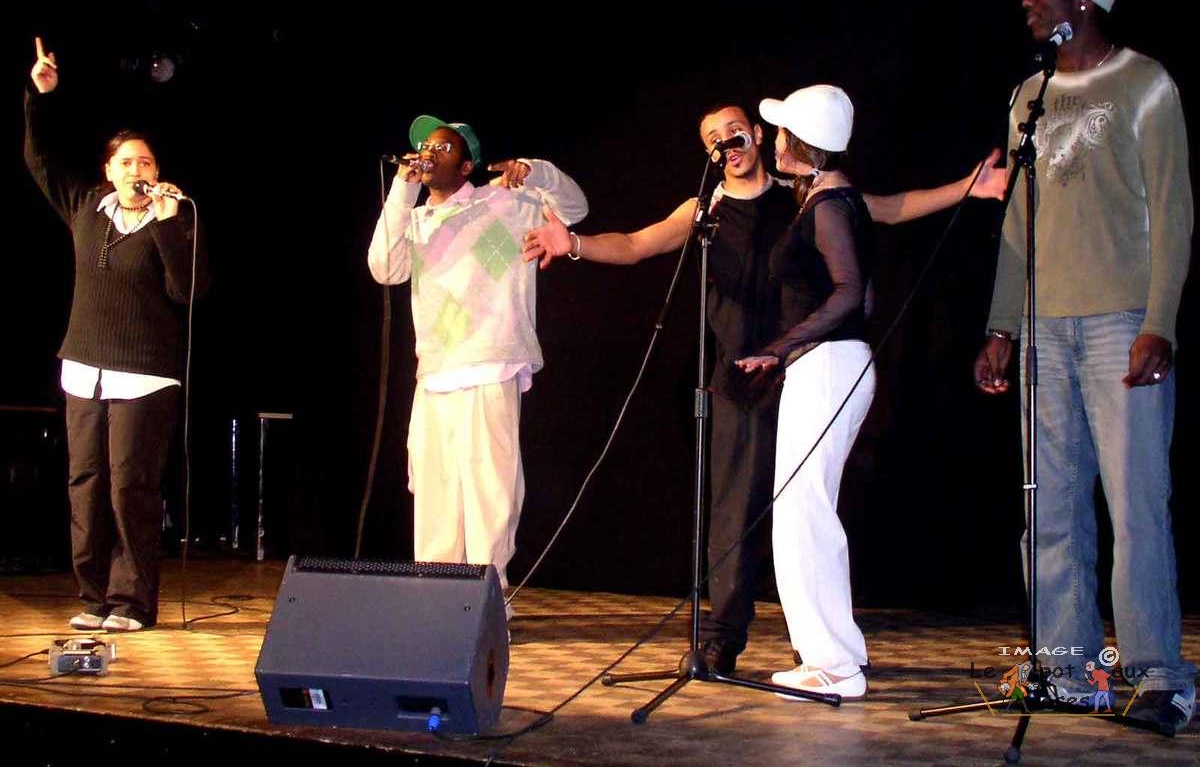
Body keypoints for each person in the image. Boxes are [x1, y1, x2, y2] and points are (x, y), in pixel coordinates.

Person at [523, 101, 1006, 675]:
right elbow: (635, 244)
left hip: (805, 365)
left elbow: (885, 208)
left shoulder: (802, 194)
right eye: (714, 137)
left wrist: (967, 187)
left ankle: (818, 644)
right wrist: (573, 243)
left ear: (756, 134)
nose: (727, 141)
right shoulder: (704, 210)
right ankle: (724, 637)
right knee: (733, 510)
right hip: (741, 378)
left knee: (807, 509)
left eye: (735, 130)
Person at [973, 0, 1195, 730]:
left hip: (1119, 322)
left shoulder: (1145, 83)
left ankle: (1160, 676)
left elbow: (1174, 211)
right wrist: (1002, 324)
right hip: (1043, 327)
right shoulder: (1028, 97)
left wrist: (1159, 321)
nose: (1027, 3)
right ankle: (1067, 670)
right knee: (1051, 508)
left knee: (1136, 506)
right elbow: (1018, 221)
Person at [25, 38, 209, 633]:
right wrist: (41, 98)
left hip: (146, 375)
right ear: (108, 172)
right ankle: (93, 596)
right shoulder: (86, 208)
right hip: (83, 367)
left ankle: (131, 603)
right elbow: (39, 159)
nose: (137, 171)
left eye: (146, 163)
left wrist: (168, 225)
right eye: (126, 163)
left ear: (158, 173)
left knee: (131, 488)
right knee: (85, 483)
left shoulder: (175, 219)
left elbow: (187, 291)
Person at [367, 115, 587, 596]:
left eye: (443, 147)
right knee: (435, 491)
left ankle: (488, 600)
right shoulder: (416, 220)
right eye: (425, 146)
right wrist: (402, 190)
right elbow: (384, 268)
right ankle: (435, 599)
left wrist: (536, 172)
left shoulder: (507, 201)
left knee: (490, 492)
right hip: (435, 373)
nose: (428, 152)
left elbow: (576, 207)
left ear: (467, 165)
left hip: (491, 361)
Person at [731, 85, 873, 699]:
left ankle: (833, 664)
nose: (776, 140)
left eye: (784, 131)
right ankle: (837, 653)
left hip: (829, 365)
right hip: (834, 364)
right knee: (807, 510)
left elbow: (851, 293)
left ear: (804, 143)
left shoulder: (831, 205)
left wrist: (782, 346)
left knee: (801, 513)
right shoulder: (829, 199)